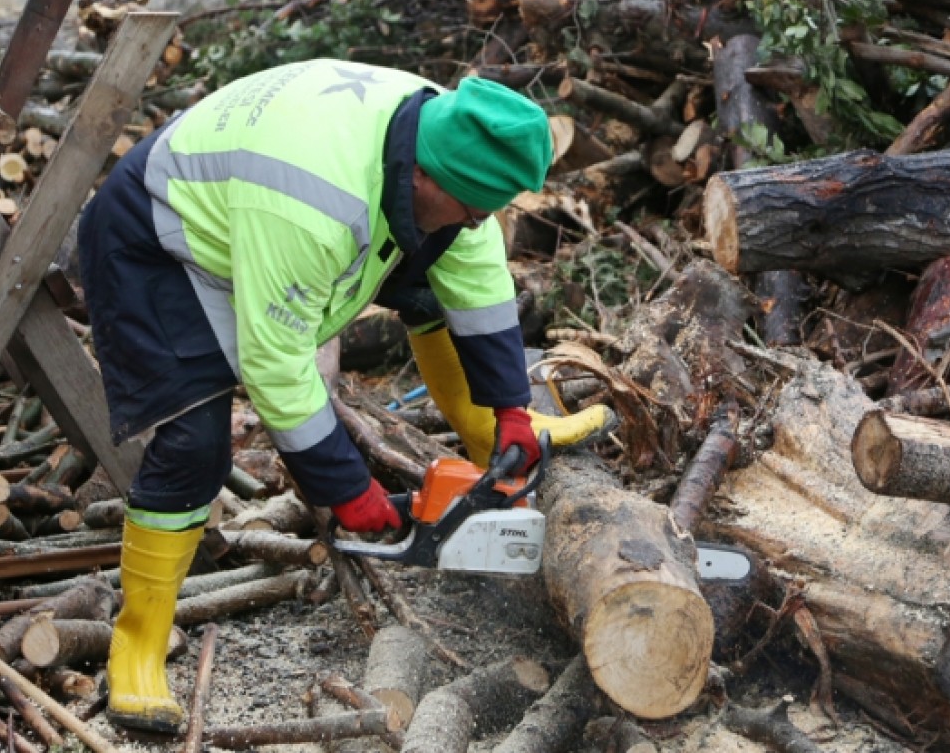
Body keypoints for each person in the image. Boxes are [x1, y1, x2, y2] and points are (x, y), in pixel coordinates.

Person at [77, 58, 615, 733]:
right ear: (423, 176)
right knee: (194, 446)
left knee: (437, 268)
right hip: (161, 236)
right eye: (475, 207)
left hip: (281, 215)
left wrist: (509, 409)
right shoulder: (313, 197)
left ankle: (491, 459)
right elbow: (275, 361)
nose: (482, 222)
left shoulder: (448, 138)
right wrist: (346, 488)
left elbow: (477, 284)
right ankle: (136, 651)